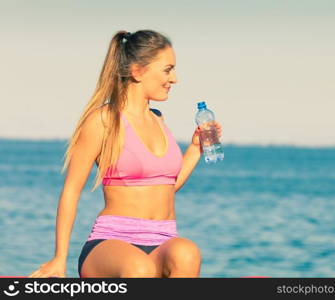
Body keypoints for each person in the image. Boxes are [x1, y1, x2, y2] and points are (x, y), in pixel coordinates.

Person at [28, 29, 222, 278]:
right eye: (167, 69)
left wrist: (195, 149)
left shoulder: (158, 120)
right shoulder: (103, 121)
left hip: (163, 238)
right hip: (112, 242)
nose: (174, 79)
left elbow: (165, 187)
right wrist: (59, 257)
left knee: (187, 253)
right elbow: (71, 191)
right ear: (137, 71)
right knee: (139, 269)